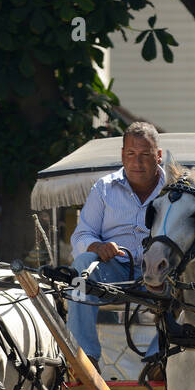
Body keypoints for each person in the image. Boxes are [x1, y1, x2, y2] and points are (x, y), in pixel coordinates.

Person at [67, 120, 164, 371]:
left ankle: (157, 357)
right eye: (131, 154)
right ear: (122, 155)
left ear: (159, 156)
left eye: (145, 154)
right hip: (113, 269)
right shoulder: (104, 188)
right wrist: (96, 247)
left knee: (190, 277)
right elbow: (80, 236)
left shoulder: (173, 190)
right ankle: (85, 358)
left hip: (160, 273)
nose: (137, 162)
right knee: (81, 267)